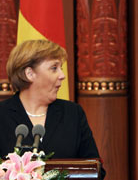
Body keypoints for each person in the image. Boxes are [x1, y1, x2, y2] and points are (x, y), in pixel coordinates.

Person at [0, 40, 105, 178]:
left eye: (61, 68)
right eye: (54, 68)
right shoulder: (2, 115)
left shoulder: (73, 114)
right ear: (29, 74)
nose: (62, 75)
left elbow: (96, 171)